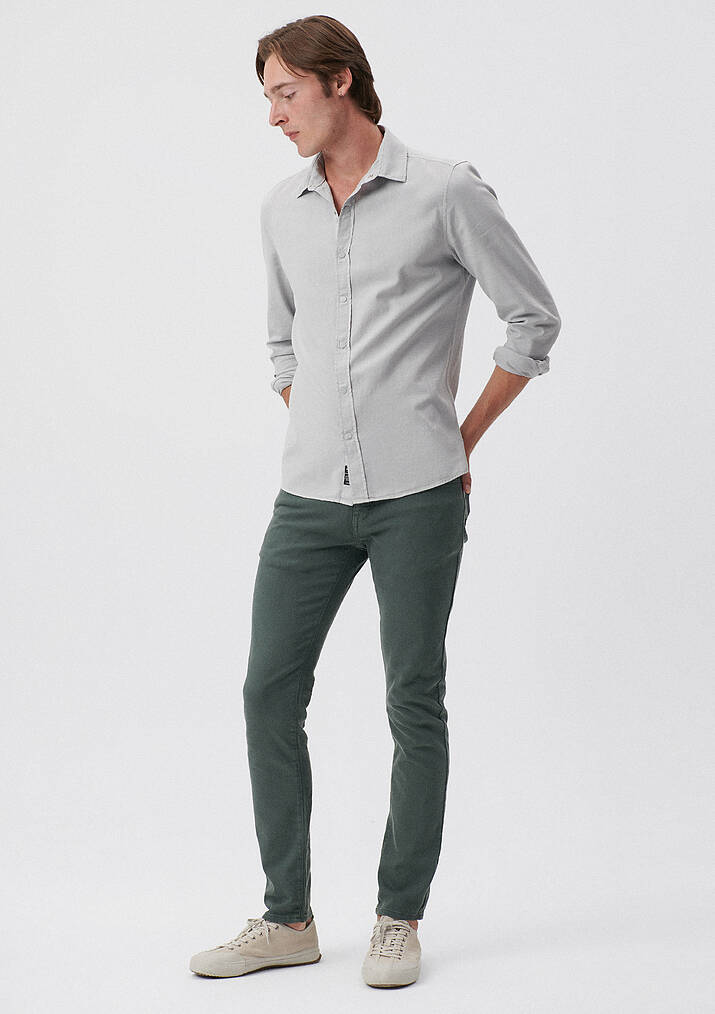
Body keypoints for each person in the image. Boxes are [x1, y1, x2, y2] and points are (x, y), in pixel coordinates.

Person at [190, 14, 561, 989]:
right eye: (267, 98)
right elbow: (283, 345)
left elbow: (532, 319)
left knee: (412, 699)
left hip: (418, 498)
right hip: (308, 497)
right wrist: (318, 420)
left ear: (339, 81)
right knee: (268, 693)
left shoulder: (445, 191)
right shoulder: (281, 209)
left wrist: (460, 437)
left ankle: (399, 917)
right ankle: (287, 919)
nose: (274, 116)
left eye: (285, 93)